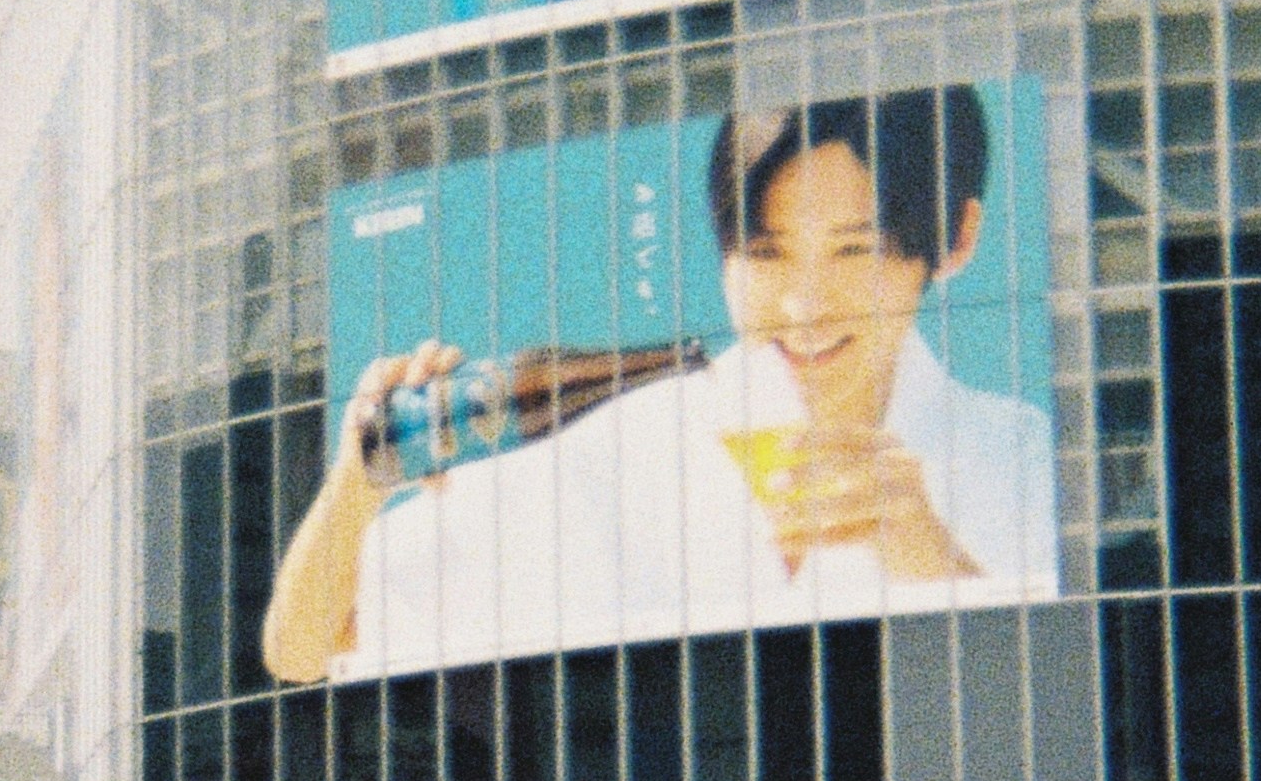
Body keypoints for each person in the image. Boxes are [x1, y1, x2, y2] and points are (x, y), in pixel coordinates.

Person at [262, 84, 1052, 686]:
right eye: (766, 255)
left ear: (955, 240)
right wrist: (359, 481)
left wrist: (930, 557)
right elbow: (298, 648)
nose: (804, 309)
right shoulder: (622, 442)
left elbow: (1052, 716)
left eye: (853, 253)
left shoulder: (1017, 454)